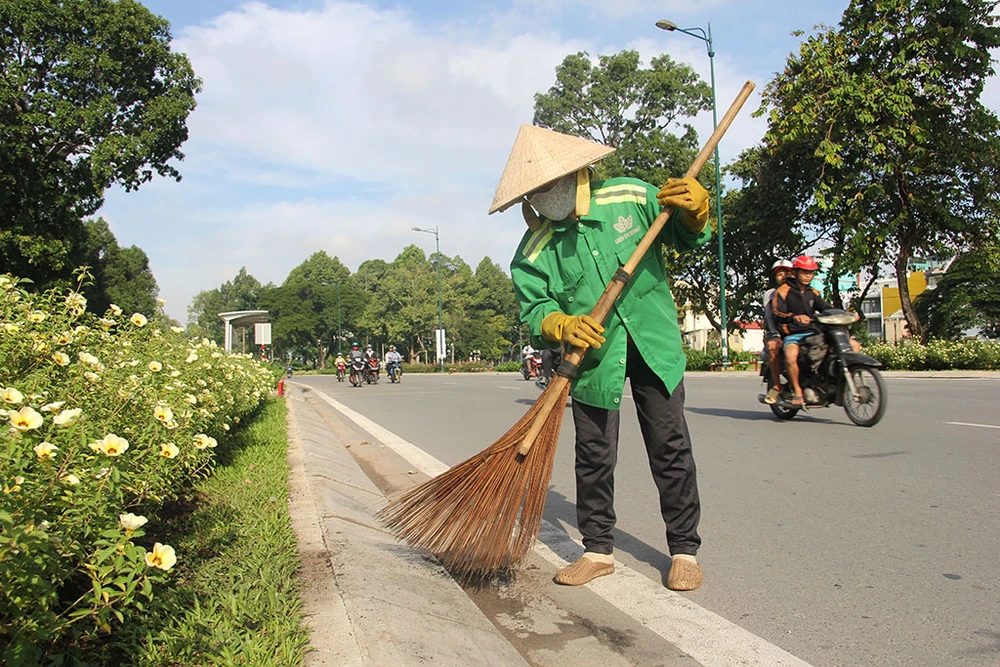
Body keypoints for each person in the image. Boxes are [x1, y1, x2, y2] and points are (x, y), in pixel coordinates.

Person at [492, 124, 710, 591]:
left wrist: (696, 212)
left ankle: (684, 550)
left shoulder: (631, 196)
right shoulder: (534, 250)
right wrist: (562, 324)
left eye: (550, 182)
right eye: (535, 190)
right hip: (590, 359)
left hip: (654, 344)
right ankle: (597, 550)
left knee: (669, 447)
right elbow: (536, 310)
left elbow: (687, 237)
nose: (546, 195)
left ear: (575, 172)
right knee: (593, 453)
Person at [762, 260, 793, 404]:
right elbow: (769, 317)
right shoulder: (771, 295)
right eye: (780, 274)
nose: (784, 276)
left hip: (802, 330)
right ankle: (776, 385)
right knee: (773, 348)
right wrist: (775, 334)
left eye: (786, 272)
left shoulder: (801, 290)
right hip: (781, 333)